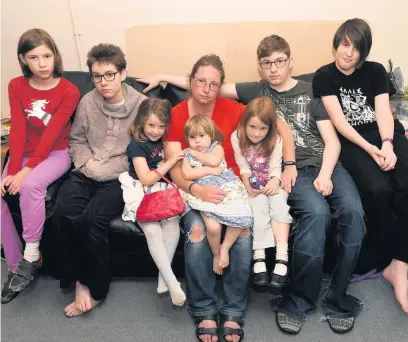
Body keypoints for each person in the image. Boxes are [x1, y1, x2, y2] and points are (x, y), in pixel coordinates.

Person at [313, 18, 408, 314]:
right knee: (377, 189)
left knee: (405, 184)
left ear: (364, 51)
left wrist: (388, 143)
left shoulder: (376, 71)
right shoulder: (324, 76)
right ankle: (380, 257)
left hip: (384, 134)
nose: (349, 53)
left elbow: (382, 111)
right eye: (344, 45)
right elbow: (340, 123)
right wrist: (371, 149)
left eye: (356, 48)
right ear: (336, 43)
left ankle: (399, 263)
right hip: (353, 141)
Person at [53, 43, 146, 317]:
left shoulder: (140, 105)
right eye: (97, 76)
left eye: (109, 75)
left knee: (92, 221)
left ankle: (96, 288)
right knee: (63, 214)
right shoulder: (87, 101)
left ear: (122, 73)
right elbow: (77, 139)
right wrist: (85, 163)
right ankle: (77, 279)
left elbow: (143, 147)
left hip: (120, 177)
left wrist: (109, 169)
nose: (103, 83)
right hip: (86, 170)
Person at [1, 28, 80, 304]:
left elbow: (51, 134)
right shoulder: (16, 86)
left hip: (57, 151)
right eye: (34, 57)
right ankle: (15, 265)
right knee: (2, 191)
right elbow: (19, 129)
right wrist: (11, 171)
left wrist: (25, 171)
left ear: (55, 55)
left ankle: (31, 253)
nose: (43, 63)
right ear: (24, 60)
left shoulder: (69, 90)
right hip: (24, 153)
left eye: (47, 55)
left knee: (32, 184)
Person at [119, 98, 186, 306]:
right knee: (151, 229)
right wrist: (169, 162)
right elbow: (146, 178)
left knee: (172, 223)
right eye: (151, 125)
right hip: (141, 189)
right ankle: (173, 283)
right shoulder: (136, 146)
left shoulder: (166, 140)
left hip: (162, 188)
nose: (155, 131)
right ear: (141, 123)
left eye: (160, 126)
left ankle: (163, 277)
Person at [231, 96, 292, 291]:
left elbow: (276, 167)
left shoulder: (276, 140)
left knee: (279, 203)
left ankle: (282, 256)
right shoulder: (236, 137)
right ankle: (259, 255)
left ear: (270, 128)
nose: (257, 134)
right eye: (252, 127)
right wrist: (248, 183)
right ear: (244, 123)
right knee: (257, 206)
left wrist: (275, 180)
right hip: (252, 185)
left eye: (263, 129)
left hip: (272, 182)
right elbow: (243, 166)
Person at [181, 115, 253, 275]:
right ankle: (216, 254)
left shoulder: (216, 147)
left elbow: (214, 161)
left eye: (202, 136)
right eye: (192, 137)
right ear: (187, 138)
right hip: (203, 190)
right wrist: (208, 170)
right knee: (213, 227)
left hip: (227, 186)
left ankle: (225, 247)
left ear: (211, 135)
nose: (197, 141)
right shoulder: (185, 154)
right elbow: (187, 174)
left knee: (241, 217)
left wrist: (196, 156)